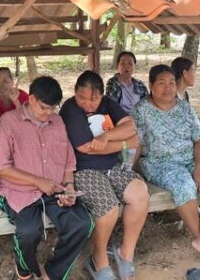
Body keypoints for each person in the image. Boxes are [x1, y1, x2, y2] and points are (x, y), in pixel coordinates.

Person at [132, 65, 200, 278]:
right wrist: (130, 169)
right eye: (162, 83)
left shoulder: (184, 108)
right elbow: (137, 143)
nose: (168, 88)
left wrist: (199, 168)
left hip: (190, 160)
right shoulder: (141, 110)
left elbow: (199, 140)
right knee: (184, 186)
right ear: (151, 86)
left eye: (172, 83)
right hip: (159, 163)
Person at [0, 76, 93, 280]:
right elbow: (0, 167)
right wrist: (38, 181)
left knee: (82, 224)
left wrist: (69, 188)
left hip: (54, 190)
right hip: (18, 190)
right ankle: (24, 270)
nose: (49, 114)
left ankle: (52, 274)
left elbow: (68, 162)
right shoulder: (9, 122)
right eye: (45, 108)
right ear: (31, 99)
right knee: (30, 231)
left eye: (54, 108)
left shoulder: (57, 121)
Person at [61, 70, 149, 280]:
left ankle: (125, 253)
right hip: (84, 169)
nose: (88, 104)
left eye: (94, 99)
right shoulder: (70, 109)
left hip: (113, 165)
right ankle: (98, 258)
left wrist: (106, 137)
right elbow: (85, 148)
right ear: (75, 93)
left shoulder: (108, 103)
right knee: (108, 207)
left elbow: (132, 127)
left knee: (140, 194)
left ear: (101, 95)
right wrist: (125, 143)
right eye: (82, 97)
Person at [0, 66, 29, 150]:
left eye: (5, 81)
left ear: (12, 82)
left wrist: (16, 101)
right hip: (5, 133)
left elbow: (27, 123)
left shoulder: (23, 96)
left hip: (23, 133)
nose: (1, 85)